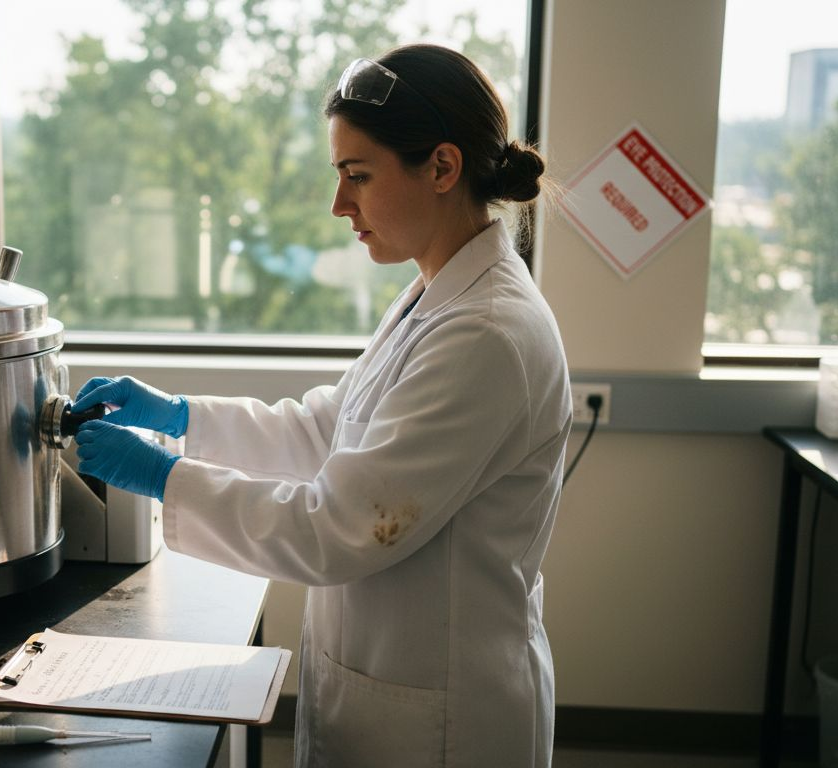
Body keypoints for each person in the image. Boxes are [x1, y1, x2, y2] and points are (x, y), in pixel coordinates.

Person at [71, 43, 570, 768]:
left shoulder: (487, 333)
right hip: (387, 688)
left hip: (445, 722)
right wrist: (183, 418)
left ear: (441, 167)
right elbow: (327, 429)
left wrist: (162, 479)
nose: (340, 205)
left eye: (357, 176)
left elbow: (334, 529)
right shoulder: (438, 292)